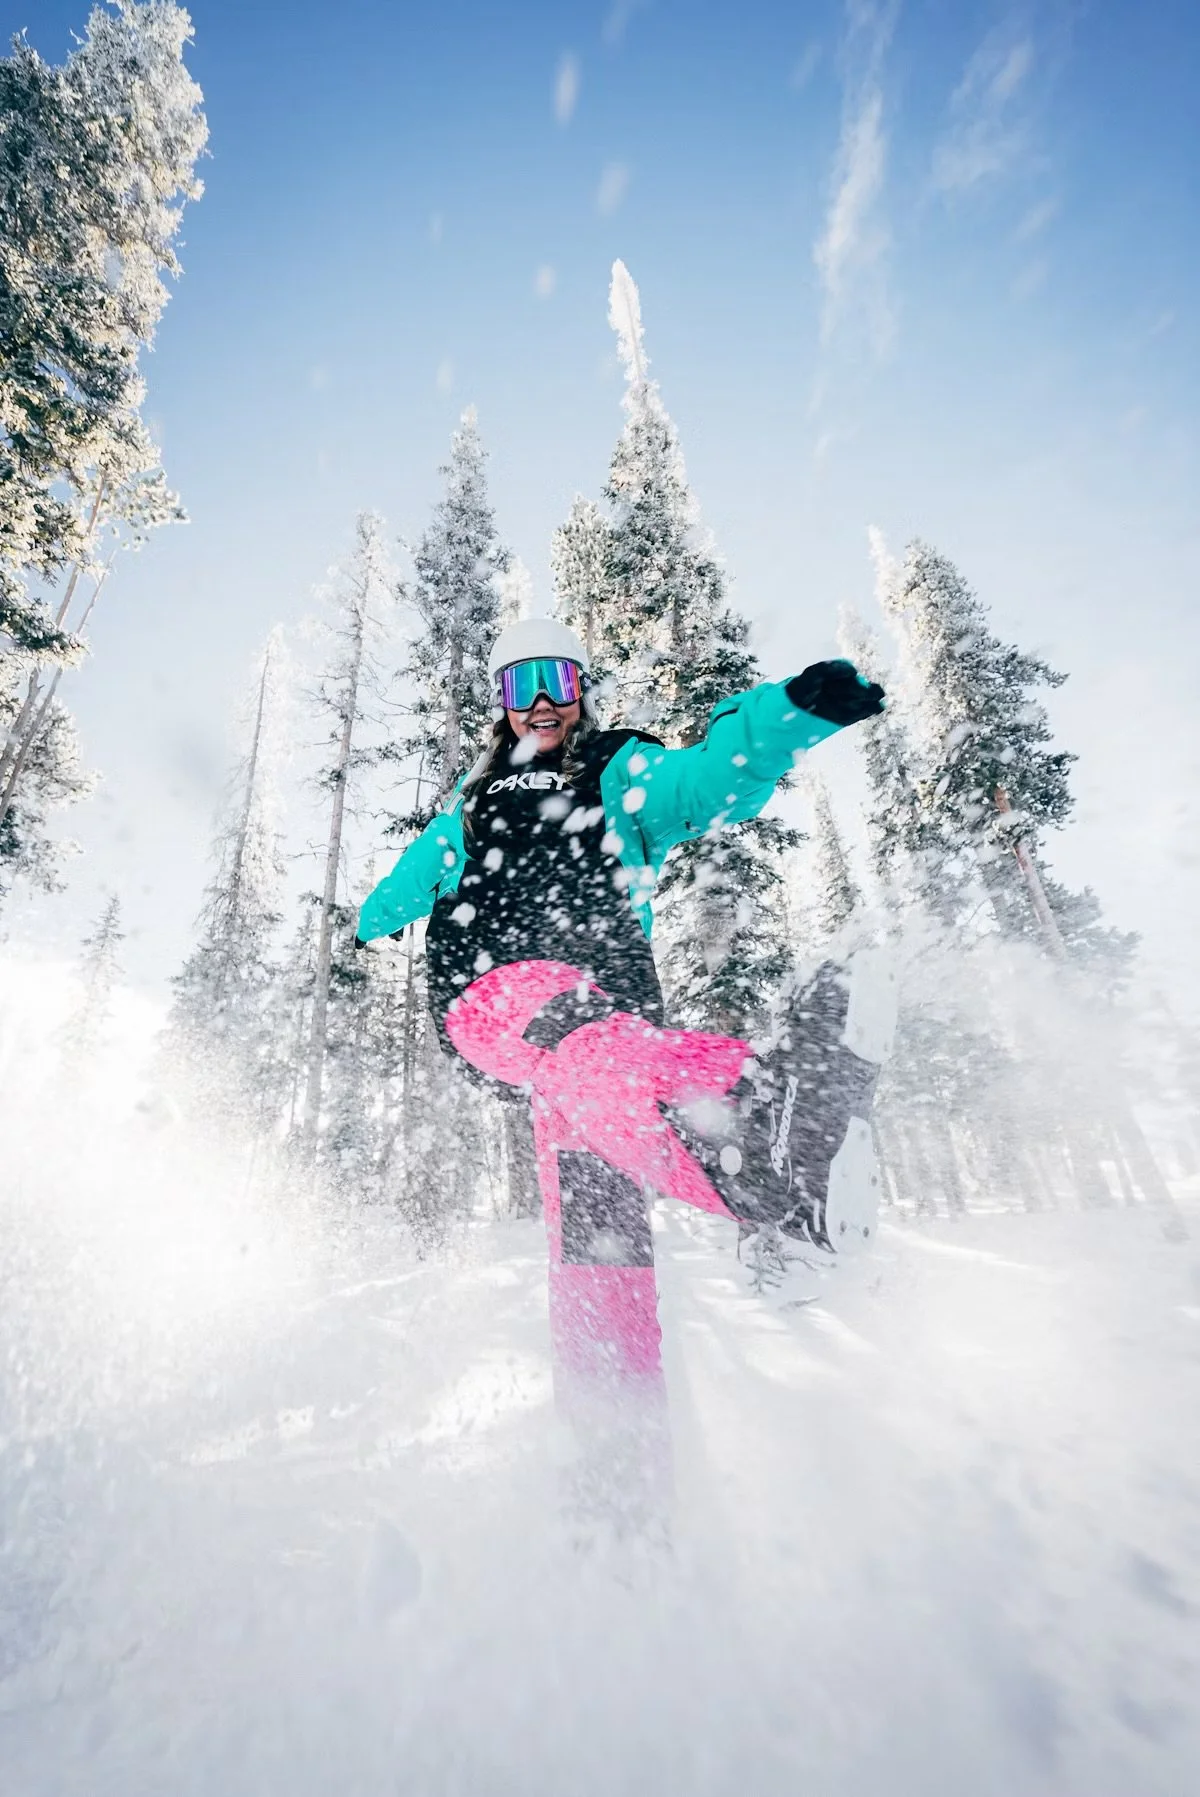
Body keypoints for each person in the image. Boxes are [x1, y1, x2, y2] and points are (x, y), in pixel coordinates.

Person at [356, 617, 886, 1263]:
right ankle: (761, 1164)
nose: (542, 701)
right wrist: (367, 926)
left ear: (580, 688)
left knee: (614, 1137)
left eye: (557, 679)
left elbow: (706, 779)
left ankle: (793, 1145)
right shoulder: (474, 800)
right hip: (491, 985)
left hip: (613, 1000)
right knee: (588, 1044)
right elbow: (414, 874)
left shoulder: (617, 768)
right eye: (524, 685)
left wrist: (788, 715)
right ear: (504, 701)